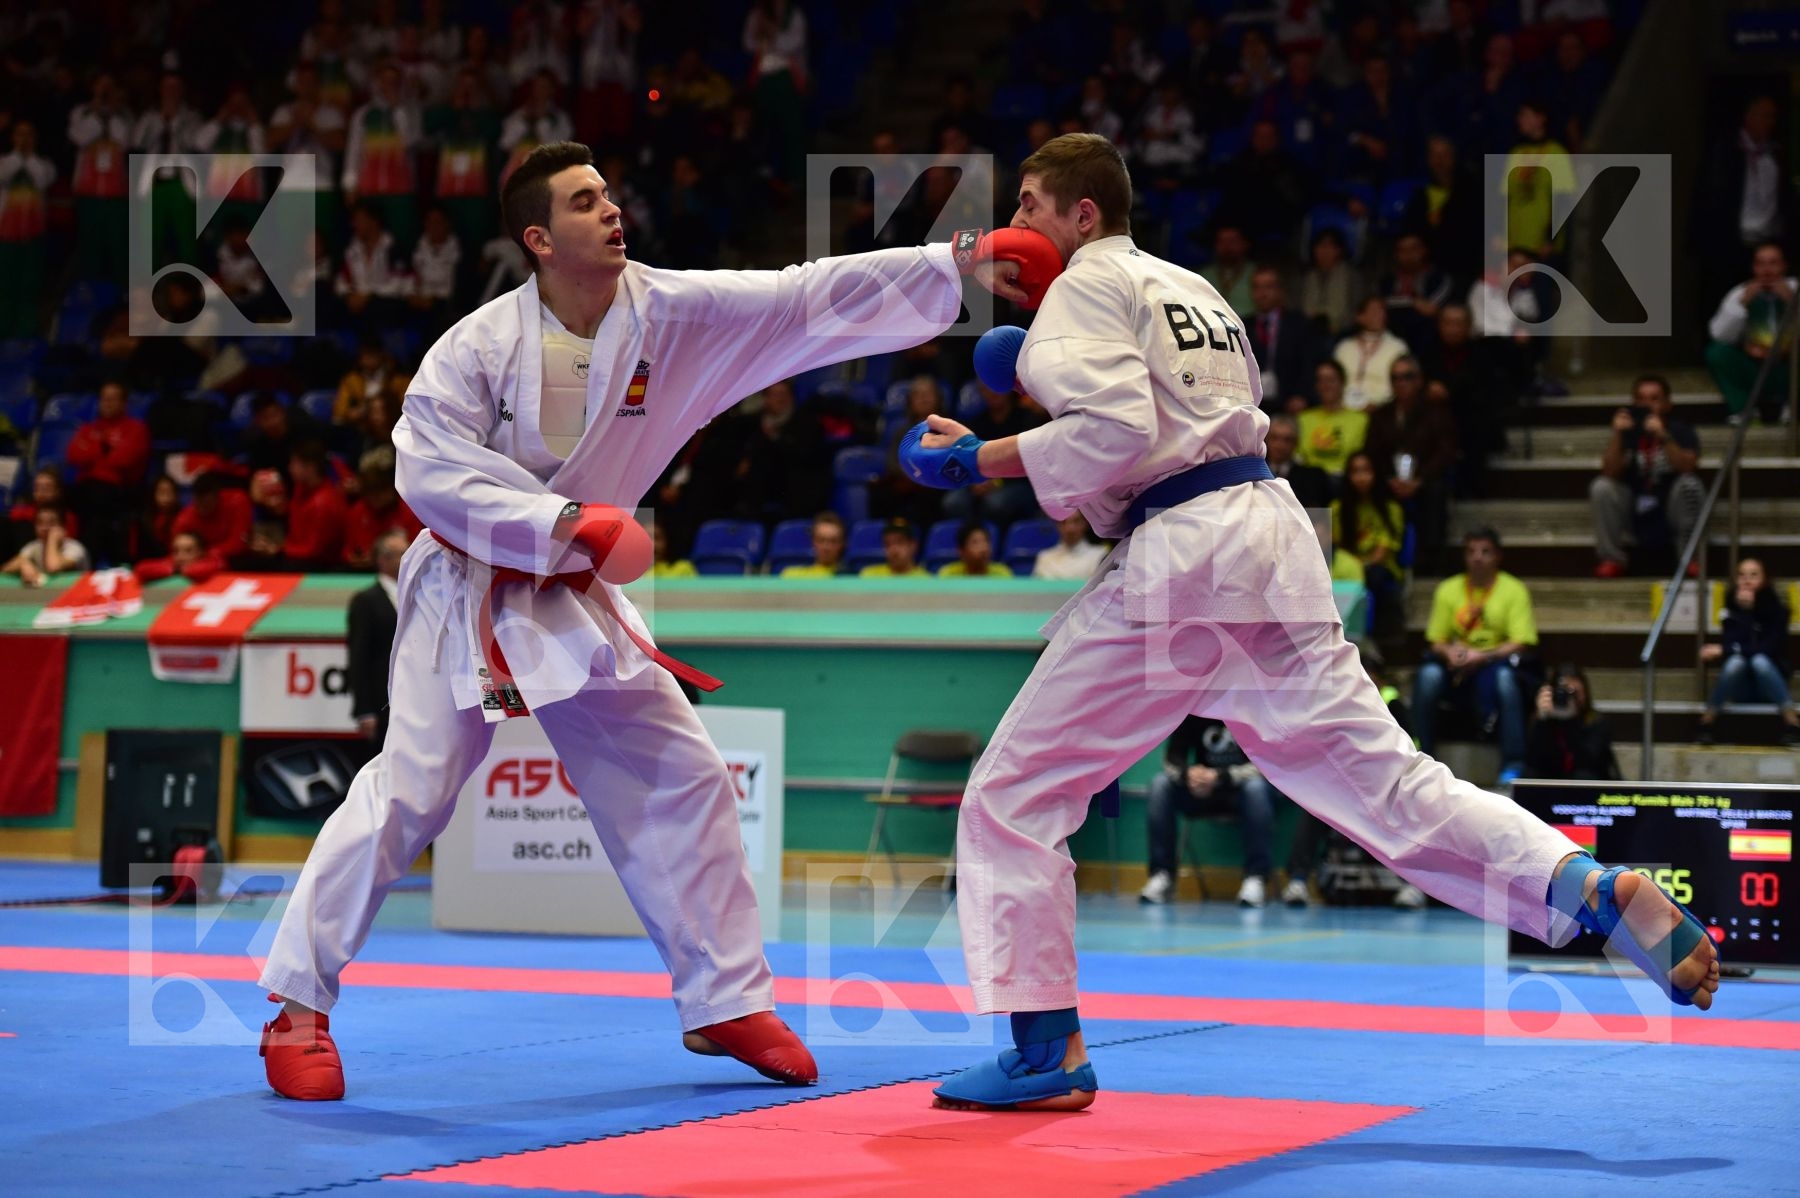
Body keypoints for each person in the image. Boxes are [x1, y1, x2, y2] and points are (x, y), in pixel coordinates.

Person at [903, 134, 1716, 1115]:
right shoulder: (1192, 288)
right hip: (1269, 534)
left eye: (1030, 204)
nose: (1014, 226)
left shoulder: (1083, 283)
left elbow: (1116, 437)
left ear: (1084, 215)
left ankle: (1043, 1051)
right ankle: (1583, 886)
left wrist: (975, 458)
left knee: (1013, 791)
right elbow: (1151, 432)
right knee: (1393, 785)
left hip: (1185, 557)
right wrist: (1038, 371)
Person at [257, 139, 1045, 1102]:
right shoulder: (473, 348)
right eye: (586, 202)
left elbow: (804, 298)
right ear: (539, 238)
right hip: (464, 587)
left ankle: (723, 999)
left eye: (611, 194)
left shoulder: (672, 313)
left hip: (580, 592)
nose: (612, 210)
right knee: (412, 789)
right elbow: (426, 470)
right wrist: (561, 521)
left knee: (687, 775)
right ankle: (296, 1008)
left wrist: (951, 262)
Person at [1413, 527, 1537, 784]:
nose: (1478, 558)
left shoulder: (1514, 590)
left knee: (1506, 679)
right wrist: (1451, 653)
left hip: (1496, 663)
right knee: (1428, 676)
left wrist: (1482, 655)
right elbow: (1436, 641)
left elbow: (1521, 642)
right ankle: (1421, 756)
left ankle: (1513, 762)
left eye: (1485, 552)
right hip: (1456, 667)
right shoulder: (1448, 589)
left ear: (1498, 556)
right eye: (1471, 552)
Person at [1138, 716, 1282, 908]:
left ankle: (1255, 878)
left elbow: (1264, 764)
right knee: (1160, 785)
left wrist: (1220, 777)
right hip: (1201, 791)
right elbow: (1172, 758)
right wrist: (1188, 775)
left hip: (1238, 792)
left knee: (1256, 789)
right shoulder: (1195, 711)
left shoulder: (1251, 711)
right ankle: (1161, 875)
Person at [1589, 374, 1703, 579]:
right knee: (1601, 487)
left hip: (1669, 506)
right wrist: (1617, 435)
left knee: (1690, 484)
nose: (1647, 404)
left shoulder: (1680, 429)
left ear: (1667, 404)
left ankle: (1690, 557)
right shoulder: (1628, 431)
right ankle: (1611, 559)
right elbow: (1609, 472)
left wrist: (1664, 436)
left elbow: (1687, 467)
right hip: (1635, 507)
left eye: (1654, 398)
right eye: (1641, 399)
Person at [1363, 356, 1456, 567]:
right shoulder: (1381, 414)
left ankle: (1430, 559)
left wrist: (1419, 479)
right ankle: (1383, 556)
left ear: (1419, 380)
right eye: (1395, 378)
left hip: (1424, 478)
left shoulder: (1436, 411)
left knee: (1436, 491)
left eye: (1407, 377)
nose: (1401, 383)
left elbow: (1446, 451)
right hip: (1389, 479)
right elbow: (1372, 452)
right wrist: (1389, 478)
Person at [1698, 558, 1799, 747]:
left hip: (1768, 684)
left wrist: (1725, 649)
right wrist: (1745, 612)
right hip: (1742, 687)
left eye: (1754, 575)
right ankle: (1706, 723)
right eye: (1742, 575)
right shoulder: (1730, 610)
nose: (1747, 580)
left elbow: (1768, 648)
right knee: (1736, 662)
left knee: (1759, 660)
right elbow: (1732, 646)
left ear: (1765, 579)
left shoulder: (1779, 611)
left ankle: (1792, 723)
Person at [1704, 241, 1795, 421]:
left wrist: (1793, 303)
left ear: (1784, 265)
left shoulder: (1795, 289)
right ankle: (1744, 411)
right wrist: (1742, 304)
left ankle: (1793, 408)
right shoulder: (1740, 293)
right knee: (1717, 353)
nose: (1767, 270)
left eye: (1773, 263)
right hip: (1755, 366)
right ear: (1753, 267)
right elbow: (1719, 335)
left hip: (1788, 367)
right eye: (1761, 264)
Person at [65, 381, 151, 567]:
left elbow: (122, 460)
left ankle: (86, 564)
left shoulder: (136, 429)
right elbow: (72, 455)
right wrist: (103, 449)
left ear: (123, 403)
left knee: (96, 510)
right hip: (88, 492)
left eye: (112, 399)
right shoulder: (88, 428)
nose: (107, 403)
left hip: (121, 491)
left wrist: (92, 452)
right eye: (104, 399)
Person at [1331, 452, 1406, 640]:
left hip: (1379, 567)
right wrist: (1352, 567)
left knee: (1375, 577)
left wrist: (1360, 567)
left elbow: (1383, 551)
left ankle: (1372, 641)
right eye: (1355, 472)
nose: (1361, 477)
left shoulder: (1391, 510)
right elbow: (1336, 547)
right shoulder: (1337, 509)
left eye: (1366, 471)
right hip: (1346, 566)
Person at [348, 529, 406, 747]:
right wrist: (364, 709)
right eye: (402, 553)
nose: (408, 558)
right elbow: (358, 657)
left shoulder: (418, 593)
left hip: (412, 697)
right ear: (383, 560)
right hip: (381, 702)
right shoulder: (366, 600)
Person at [1525, 662, 1620, 780]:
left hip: (1588, 781)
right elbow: (1534, 760)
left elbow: (1589, 760)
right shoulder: (1543, 721)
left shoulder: (1598, 722)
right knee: (1531, 774)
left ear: (1585, 692)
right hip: (1552, 780)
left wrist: (1571, 720)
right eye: (1562, 693)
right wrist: (1542, 719)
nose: (1568, 698)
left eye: (1574, 693)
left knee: (1583, 776)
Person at [1244, 267, 1320, 412]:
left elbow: (1308, 363)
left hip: (1289, 402)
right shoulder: (1242, 326)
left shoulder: (1299, 324)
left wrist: (1302, 395)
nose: (1262, 294)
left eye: (1268, 287)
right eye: (1257, 288)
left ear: (1280, 291)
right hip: (1251, 404)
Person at [1332, 295, 1409, 411]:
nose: (1380, 315)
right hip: (1343, 410)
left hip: (1383, 412)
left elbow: (1402, 385)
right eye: (1374, 311)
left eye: (1382, 310)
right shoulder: (1344, 348)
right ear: (1360, 317)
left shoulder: (1397, 347)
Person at [1295, 359, 1366, 479]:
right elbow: (1299, 457)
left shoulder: (1361, 420)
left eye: (1331, 380)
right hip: (1311, 480)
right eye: (1321, 380)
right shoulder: (1303, 419)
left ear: (1342, 383)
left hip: (1345, 480)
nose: (1326, 385)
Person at [2, 504, 90, 587]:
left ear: (62, 527)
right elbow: (4, 570)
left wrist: (52, 540)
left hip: (75, 595)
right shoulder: (34, 546)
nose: (45, 528)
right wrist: (23, 563)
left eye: (51, 523)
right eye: (40, 523)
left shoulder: (75, 547)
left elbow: (53, 567)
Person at [1262, 414, 1332, 511]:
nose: (1280, 445)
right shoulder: (1253, 475)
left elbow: (1319, 519)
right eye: (1275, 438)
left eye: (1287, 440)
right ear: (1266, 440)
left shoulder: (1313, 477)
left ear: (1296, 443)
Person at [1032, 513, 1105, 581]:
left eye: (1076, 521)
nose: (1070, 529)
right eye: (1064, 522)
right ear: (1057, 525)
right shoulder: (1044, 557)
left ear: (1085, 523)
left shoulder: (1099, 555)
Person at [778, 511, 847, 578]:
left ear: (842, 544)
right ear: (813, 542)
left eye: (833, 541)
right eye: (821, 540)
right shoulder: (791, 576)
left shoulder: (852, 578)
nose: (826, 547)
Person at [859, 518, 927, 578]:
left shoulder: (925, 580)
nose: (893, 549)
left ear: (913, 546)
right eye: (888, 544)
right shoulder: (869, 575)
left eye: (899, 542)